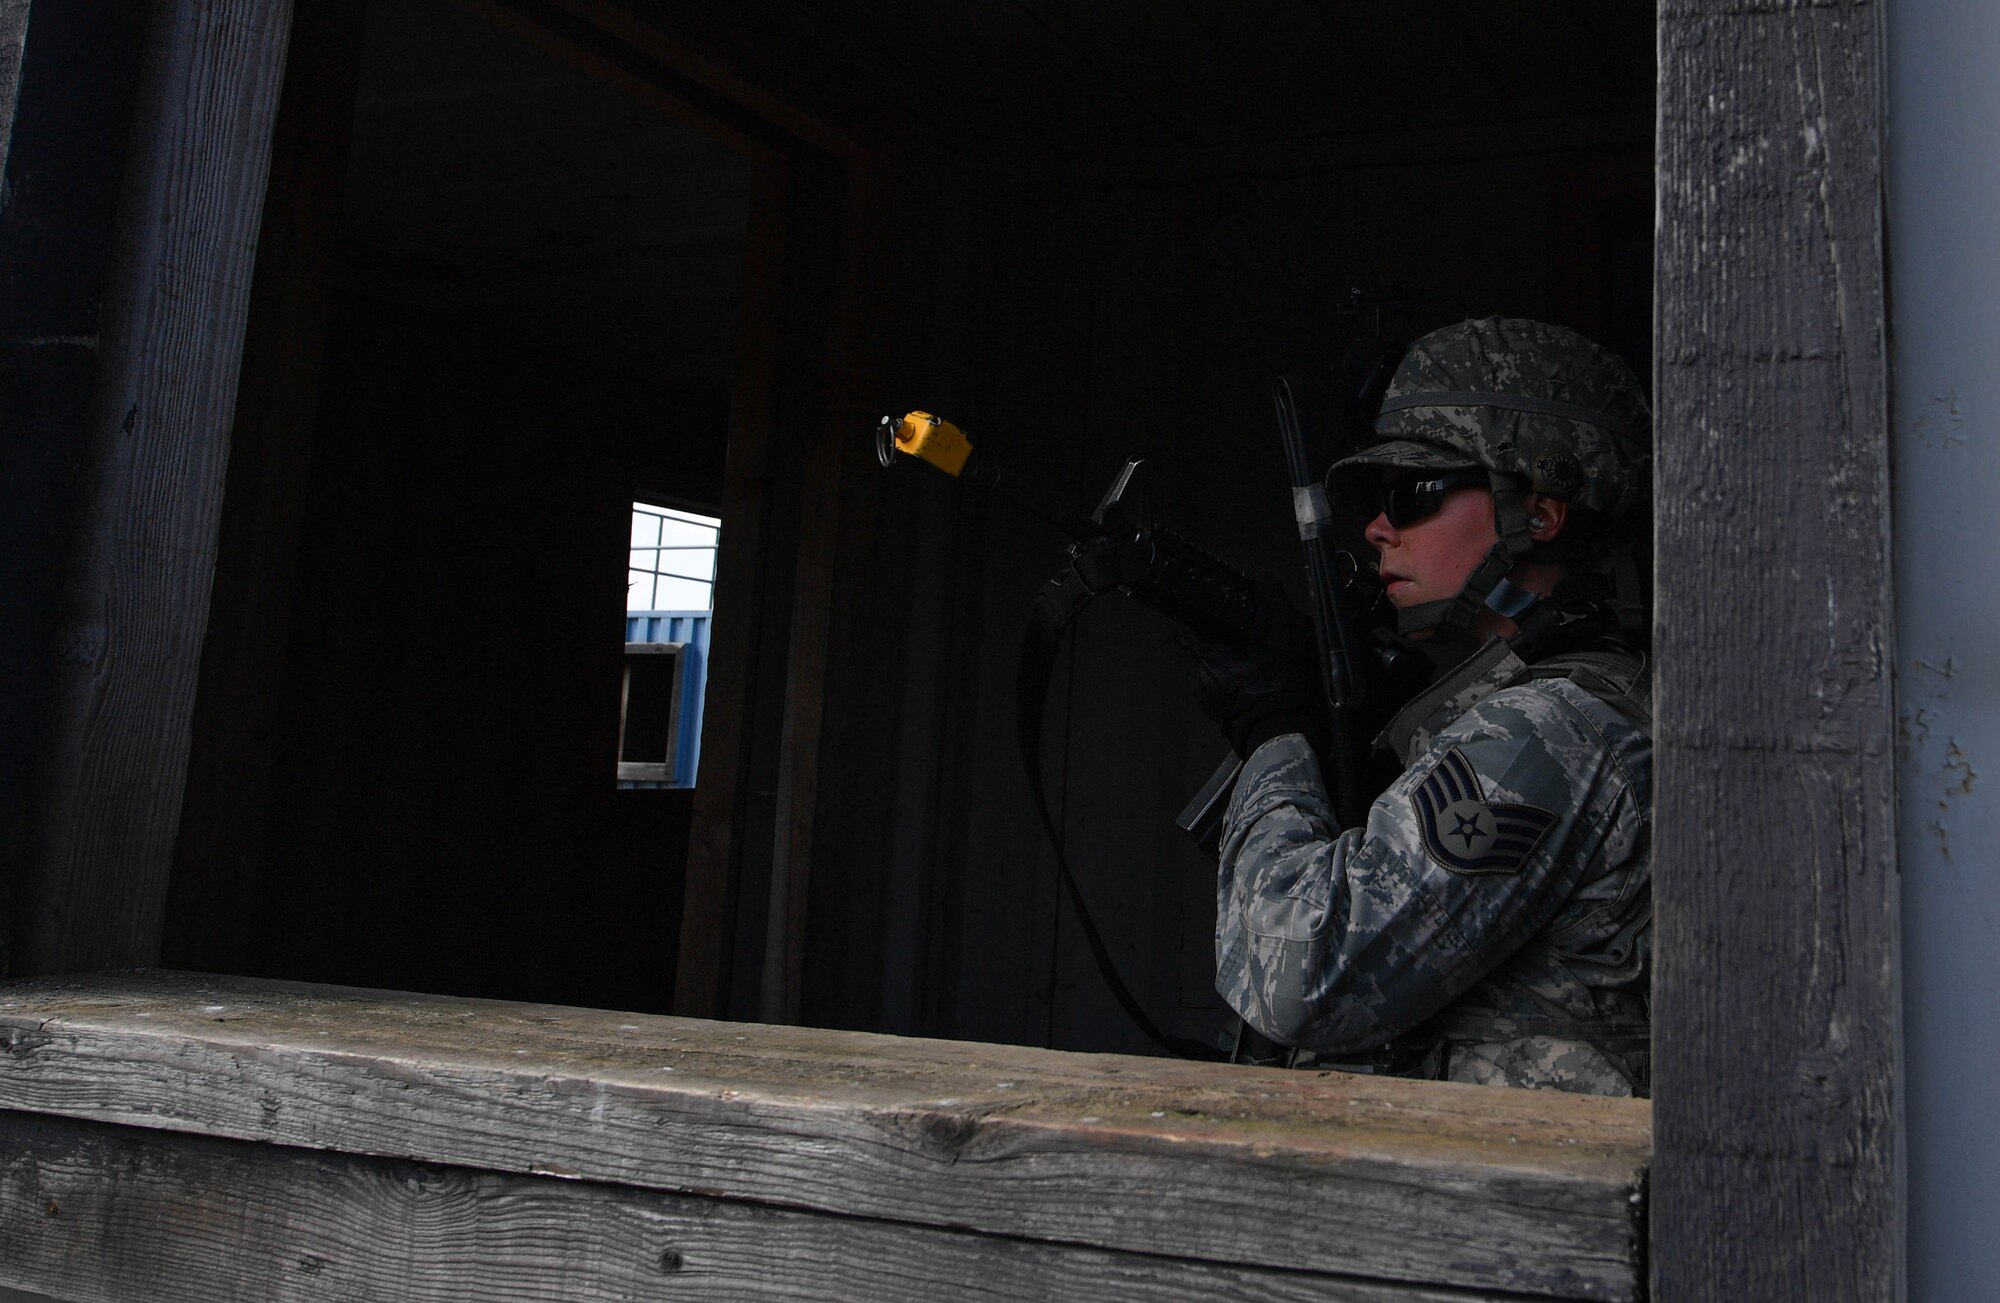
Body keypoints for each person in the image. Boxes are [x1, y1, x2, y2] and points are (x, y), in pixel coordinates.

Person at [1188, 317, 1654, 1095]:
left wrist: (1278, 732)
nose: (1376, 529)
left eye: (1413, 495)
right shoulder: (1534, 705)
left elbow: (1298, 973)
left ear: (1538, 512)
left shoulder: (1554, 729)